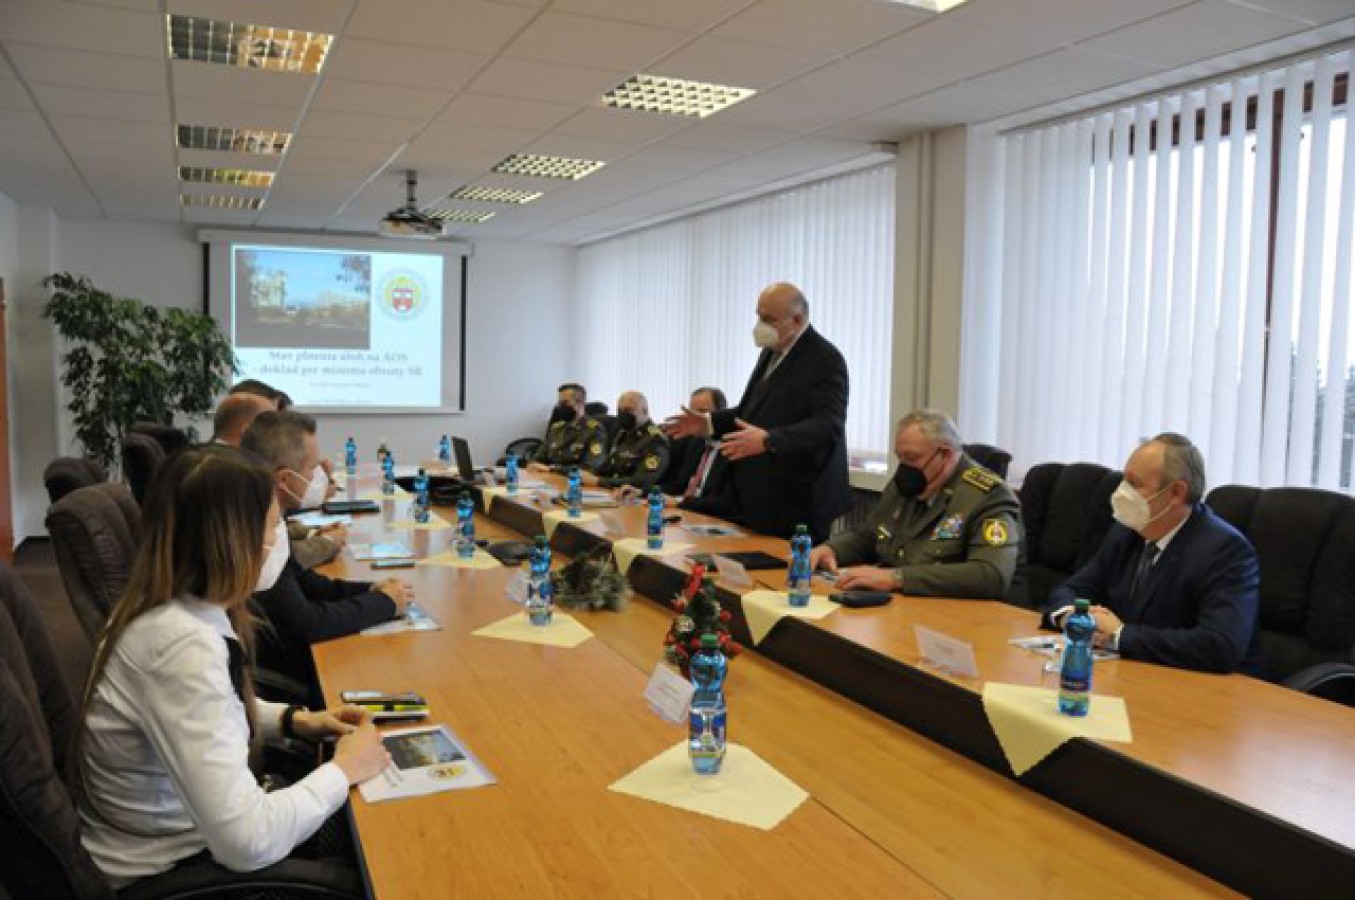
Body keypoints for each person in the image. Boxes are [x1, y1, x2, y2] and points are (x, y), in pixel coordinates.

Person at [77, 451, 391, 888]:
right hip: (175, 871)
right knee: (385, 857)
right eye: (272, 528)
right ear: (233, 541)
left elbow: (207, 709)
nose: (279, 540)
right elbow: (247, 842)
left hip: (191, 830)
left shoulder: (169, 605)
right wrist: (345, 769)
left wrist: (293, 720)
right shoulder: (180, 647)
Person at [1043, 433, 1262, 674]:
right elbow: (1072, 590)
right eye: (1124, 481)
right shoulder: (1126, 532)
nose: (1121, 492)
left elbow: (1219, 645)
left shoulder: (1225, 550)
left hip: (1205, 688)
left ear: (1176, 493)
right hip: (1133, 673)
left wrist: (1119, 635)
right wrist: (1073, 618)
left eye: (1134, 484)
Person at [664, 282, 849, 542]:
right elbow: (751, 410)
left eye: (768, 319)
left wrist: (769, 440)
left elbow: (828, 424)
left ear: (797, 320)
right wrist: (708, 423)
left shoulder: (825, 359)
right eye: (758, 316)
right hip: (759, 497)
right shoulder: (770, 352)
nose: (760, 325)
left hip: (800, 499)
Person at [243, 411, 411, 689]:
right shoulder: (257, 531)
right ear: (284, 480)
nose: (319, 477)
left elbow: (303, 581)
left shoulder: (272, 520)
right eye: (312, 469)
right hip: (285, 673)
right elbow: (305, 623)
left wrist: (370, 590)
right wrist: (384, 604)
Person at [810, 411, 1021, 599]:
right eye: (900, 458)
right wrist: (831, 549)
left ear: (945, 455)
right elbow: (870, 535)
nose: (904, 469)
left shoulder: (987, 496)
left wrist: (896, 578)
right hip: (897, 606)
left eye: (912, 458)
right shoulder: (908, 484)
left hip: (952, 616)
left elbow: (991, 575)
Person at [583, 391, 670, 491]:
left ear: (645, 411)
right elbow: (608, 467)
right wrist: (586, 475)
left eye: (629, 410)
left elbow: (641, 482)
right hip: (611, 491)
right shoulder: (624, 433)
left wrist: (598, 481)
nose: (623, 414)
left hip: (634, 497)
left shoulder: (656, 440)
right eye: (620, 410)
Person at [528, 383, 609, 473]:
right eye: (559, 403)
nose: (560, 407)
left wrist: (553, 469)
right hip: (548, 477)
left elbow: (591, 467)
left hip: (573, 479)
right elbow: (538, 458)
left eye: (565, 402)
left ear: (580, 403)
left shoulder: (594, 430)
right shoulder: (556, 428)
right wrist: (534, 464)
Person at [208, 393, 274, 447]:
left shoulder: (207, 454)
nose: (276, 431)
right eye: (270, 424)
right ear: (247, 430)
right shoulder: (227, 459)